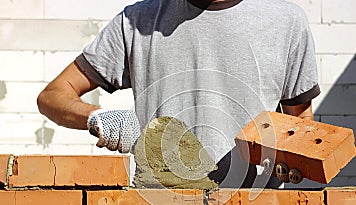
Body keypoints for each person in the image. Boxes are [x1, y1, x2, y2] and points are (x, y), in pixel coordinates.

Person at [37, 0, 320, 188]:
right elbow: (53, 95)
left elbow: (301, 121)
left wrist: (295, 157)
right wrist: (97, 117)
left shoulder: (286, 22)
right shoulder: (137, 22)